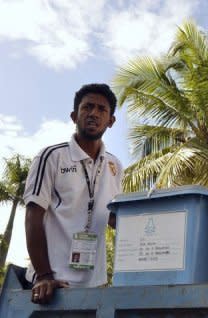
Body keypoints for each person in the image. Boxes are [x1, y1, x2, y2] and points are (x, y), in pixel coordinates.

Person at [24, 83, 123, 304]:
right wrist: (44, 275)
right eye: (87, 107)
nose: (93, 114)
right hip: (52, 282)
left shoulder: (114, 165)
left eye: (101, 109)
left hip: (93, 286)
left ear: (111, 121)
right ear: (74, 116)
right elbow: (33, 214)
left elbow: (114, 218)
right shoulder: (51, 156)